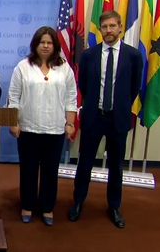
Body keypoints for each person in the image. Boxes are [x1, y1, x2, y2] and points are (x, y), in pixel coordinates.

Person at [68, 11, 143, 228]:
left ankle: (114, 205)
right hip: (94, 117)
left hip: (117, 119)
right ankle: (78, 202)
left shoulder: (133, 56)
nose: (108, 30)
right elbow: (83, 85)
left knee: (116, 166)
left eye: (112, 26)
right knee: (85, 164)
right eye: (104, 27)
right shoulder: (89, 55)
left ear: (120, 27)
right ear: (99, 30)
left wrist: (119, 106)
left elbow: (133, 87)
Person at [7, 26, 78, 226]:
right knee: (28, 170)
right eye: (42, 42)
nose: (45, 46)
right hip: (28, 128)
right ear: (35, 45)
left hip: (54, 130)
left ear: (55, 45)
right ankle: (28, 205)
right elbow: (13, 97)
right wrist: (14, 122)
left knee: (50, 171)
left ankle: (47, 207)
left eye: (49, 42)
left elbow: (71, 97)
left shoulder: (64, 68)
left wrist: (70, 123)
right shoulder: (23, 66)